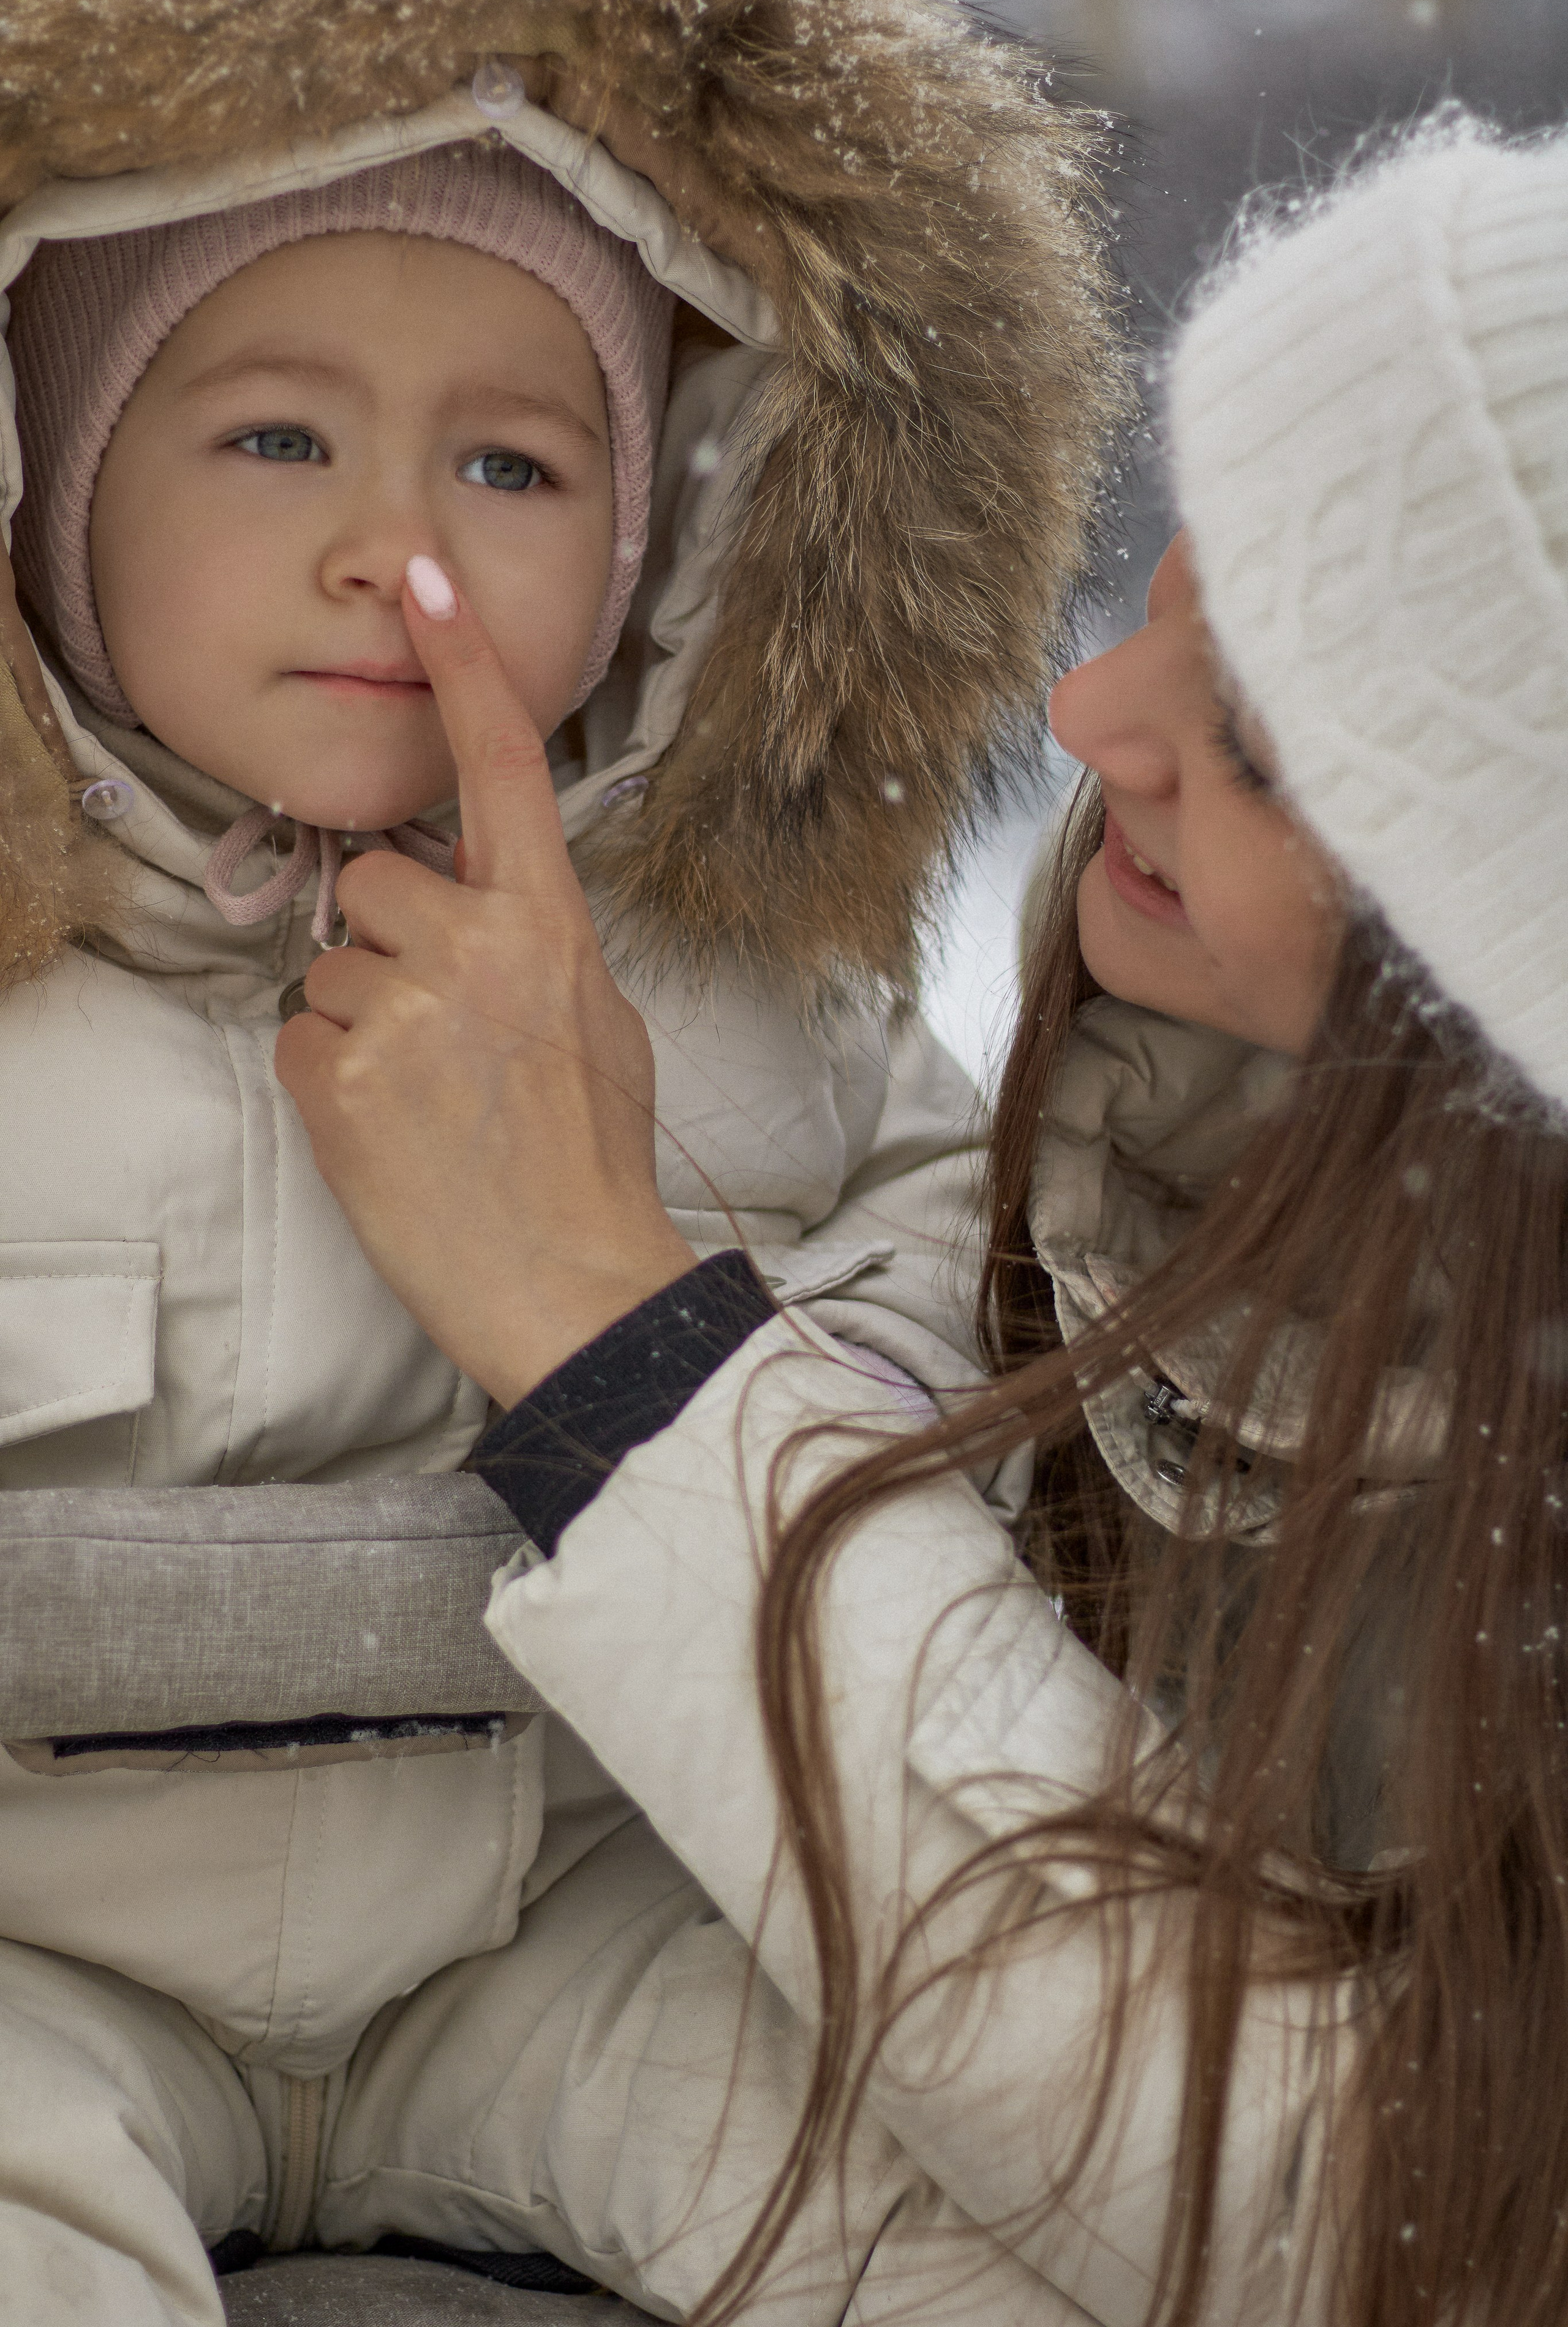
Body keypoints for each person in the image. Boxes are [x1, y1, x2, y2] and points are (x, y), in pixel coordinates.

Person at [282, 121, 1568, 2325]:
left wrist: (616, 1342)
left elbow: (1386, 2225)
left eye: (1262, 746)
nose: (1087, 715)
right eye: (1191, 563)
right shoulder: (1188, 1106)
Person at [0, 0, 1128, 2321]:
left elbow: (932, 1220)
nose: (396, 558)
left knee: (975, 2229)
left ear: (663, 538)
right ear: (47, 483)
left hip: (562, 1926)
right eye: (276, 440)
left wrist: (856, 1395)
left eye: (512, 470)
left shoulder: (714, 965)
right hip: (42, 1951)